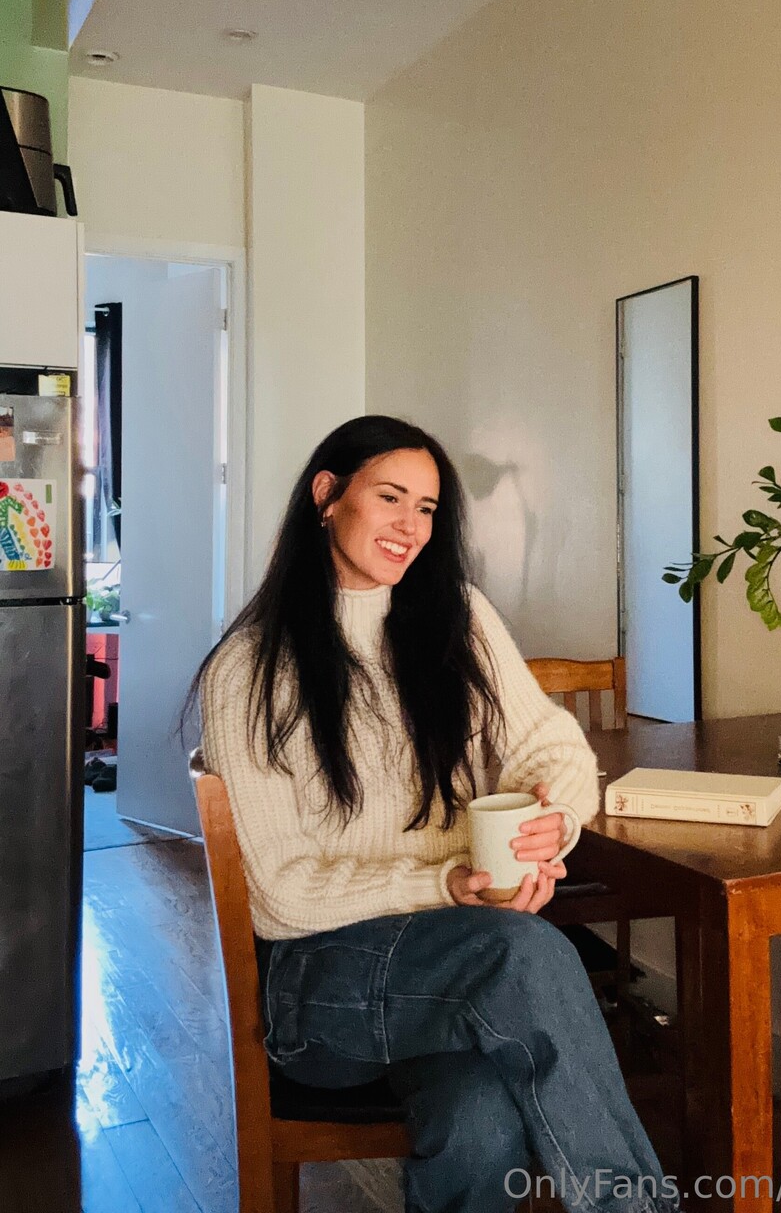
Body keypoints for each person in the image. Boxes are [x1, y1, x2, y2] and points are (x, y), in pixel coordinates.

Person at [197, 415, 677, 1213]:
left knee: (478, 1118)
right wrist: (444, 883)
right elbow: (279, 894)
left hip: (450, 969)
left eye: (426, 508)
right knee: (522, 954)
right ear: (327, 495)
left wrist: (551, 822)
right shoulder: (249, 669)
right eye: (390, 497)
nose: (411, 526)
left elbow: (550, 743)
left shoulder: (456, 616)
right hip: (319, 989)